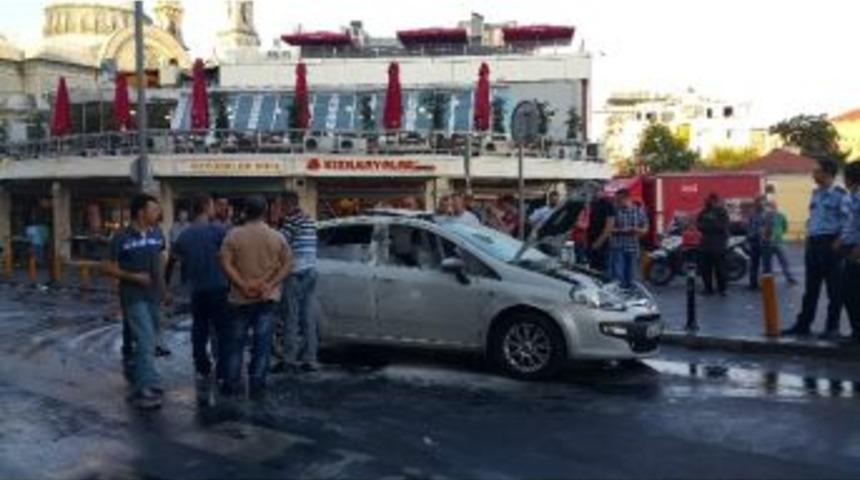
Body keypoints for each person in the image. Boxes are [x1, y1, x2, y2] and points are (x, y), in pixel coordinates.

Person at [219, 196, 292, 398]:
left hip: (239, 299)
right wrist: (270, 284)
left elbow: (225, 263)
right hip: (267, 298)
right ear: (265, 212)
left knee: (235, 345)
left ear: (245, 212)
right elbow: (288, 264)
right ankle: (257, 384)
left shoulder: (233, 235)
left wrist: (241, 284)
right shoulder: (277, 237)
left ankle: (232, 384)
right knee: (262, 345)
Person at [102, 194, 169, 410]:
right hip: (133, 296)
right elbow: (109, 267)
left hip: (153, 296)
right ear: (141, 212)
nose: (158, 214)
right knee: (146, 339)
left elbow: (159, 263)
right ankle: (144, 387)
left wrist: (165, 290)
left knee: (152, 338)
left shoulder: (157, 234)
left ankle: (148, 378)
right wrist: (134, 277)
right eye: (154, 210)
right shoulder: (121, 237)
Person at [165, 195, 229, 383]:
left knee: (199, 327)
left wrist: (166, 285)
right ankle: (222, 367)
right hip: (219, 287)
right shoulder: (219, 232)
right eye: (211, 206)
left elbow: (172, 260)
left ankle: (202, 364)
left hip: (197, 289)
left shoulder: (184, 235)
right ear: (206, 207)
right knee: (221, 328)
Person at [783, 157, 848, 340]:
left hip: (830, 244)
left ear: (827, 173)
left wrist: (839, 241)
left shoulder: (840, 196)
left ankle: (831, 328)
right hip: (814, 243)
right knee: (810, 289)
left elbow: (848, 221)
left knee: (834, 290)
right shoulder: (816, 194)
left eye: (817, 170)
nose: (813, 173)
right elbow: (814, 218)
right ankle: (803, 325)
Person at [280, 192, 320, 372]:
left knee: (291, 316)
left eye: (281, 206)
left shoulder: (292, 222)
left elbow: (279, 244)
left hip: (295, 273)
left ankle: (289, 359)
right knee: (308, 316)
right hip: (311, 271)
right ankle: (310, 359)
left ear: (287, 205)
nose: (279, 209)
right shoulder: (309, 220)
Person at [609, 189, 648, 289]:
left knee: (632, 275)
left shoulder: (639, 211)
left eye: (619, 200)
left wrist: (637, 230)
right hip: (618, 247)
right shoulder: (615, 211)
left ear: (627, 199)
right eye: (616, 200)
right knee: (618, 275)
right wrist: (621, 230)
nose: (616, 202)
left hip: (633, 247)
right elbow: (609, 229)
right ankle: (620, 294)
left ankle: (630, 294)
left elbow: (645, 228)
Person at [839, 161, 860, 344]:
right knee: (850, 292)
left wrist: (856, 251)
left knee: (849, 292)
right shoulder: (853, 196)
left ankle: (857, 334)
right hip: (851, 248)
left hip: (857, 251)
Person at [697, 193, 730, 296]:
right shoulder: (704, 212)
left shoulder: (721, 212)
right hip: (705, 245)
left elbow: (722, 227)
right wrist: (708, 226)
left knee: (720, 269)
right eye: (707, 200)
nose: (707, 202)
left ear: (715, 200)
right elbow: (699, 225)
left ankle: (722, 289)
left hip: (718, 245)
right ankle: (708, 288)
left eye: (710, 200)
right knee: (705, 269)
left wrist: (709, 225)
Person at [763, 201, 798, 285]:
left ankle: (790, 278)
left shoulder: (781, 216)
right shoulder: (764, 216)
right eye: (770, 206)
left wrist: (779, 233)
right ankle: (768, 281)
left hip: (778, 242)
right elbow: (762, 227)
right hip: (767, 242)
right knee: (768, 263)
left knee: (784, 261)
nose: (771, 208)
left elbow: (785, 227)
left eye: (773, 206)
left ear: (776, 207)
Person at [586, 191, 616, 274]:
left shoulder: (608, 205)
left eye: (596, 190)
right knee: (592, 269)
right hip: (590, 242)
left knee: (603, 270)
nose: (593, 193)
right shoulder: (591, 204)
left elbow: (609, 225)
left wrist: (599, 242)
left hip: (602, 244)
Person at [746, 196, 771, 290]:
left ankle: (767, 284)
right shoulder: (752, 214)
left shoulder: (767, 214)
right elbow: (749, 226)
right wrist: (749, 237)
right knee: (754, 264)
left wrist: (766, 236)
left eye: (759, 202)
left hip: (764, 242)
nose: (758, 204)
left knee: (766, 265)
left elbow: (770, 228)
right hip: (755, 241)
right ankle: (753, 284)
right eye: (757, 202)